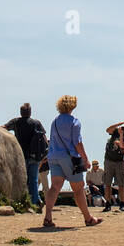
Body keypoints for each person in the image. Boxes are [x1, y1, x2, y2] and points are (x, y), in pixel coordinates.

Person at [42, 95, 101, 228]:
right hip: (69, 158)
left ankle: (48, 217)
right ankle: (88, 218)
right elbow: (77, 143)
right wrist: (85, 159)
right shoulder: (74, 121)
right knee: (78, 189)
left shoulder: (55, 121)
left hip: (54, 156)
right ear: (73, 106)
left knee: (55, 186)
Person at [5, 103, 48, 207]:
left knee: (22, 180)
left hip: (21, 156)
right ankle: (35, 201)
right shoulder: (36, 123)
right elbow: (44, 138)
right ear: (30, 112)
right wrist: (45, 154)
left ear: (21, 112)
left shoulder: (16, 121)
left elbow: (4, 127)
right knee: (33, 179)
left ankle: (28, 202)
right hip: (35, 155)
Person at [102, 124, 124, 213]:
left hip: (119, 162)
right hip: (108, 160)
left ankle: (122, 204)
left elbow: (123, 146)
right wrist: (120, 124)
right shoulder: (115, 131)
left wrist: (123, 134)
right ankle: (108, 204)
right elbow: (108, 129)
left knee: (121, 184)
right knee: (107, 183)